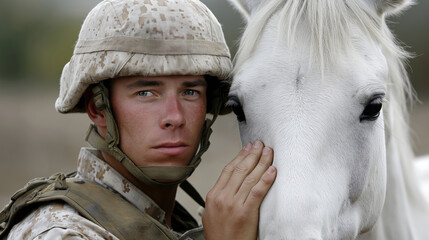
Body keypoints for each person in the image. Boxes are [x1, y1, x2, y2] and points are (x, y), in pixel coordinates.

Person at [0, 0, 276, 239]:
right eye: (146, 92)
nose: (175, 117)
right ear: (97, 109)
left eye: (190, 92)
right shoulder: (63, 232)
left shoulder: (166, 221)